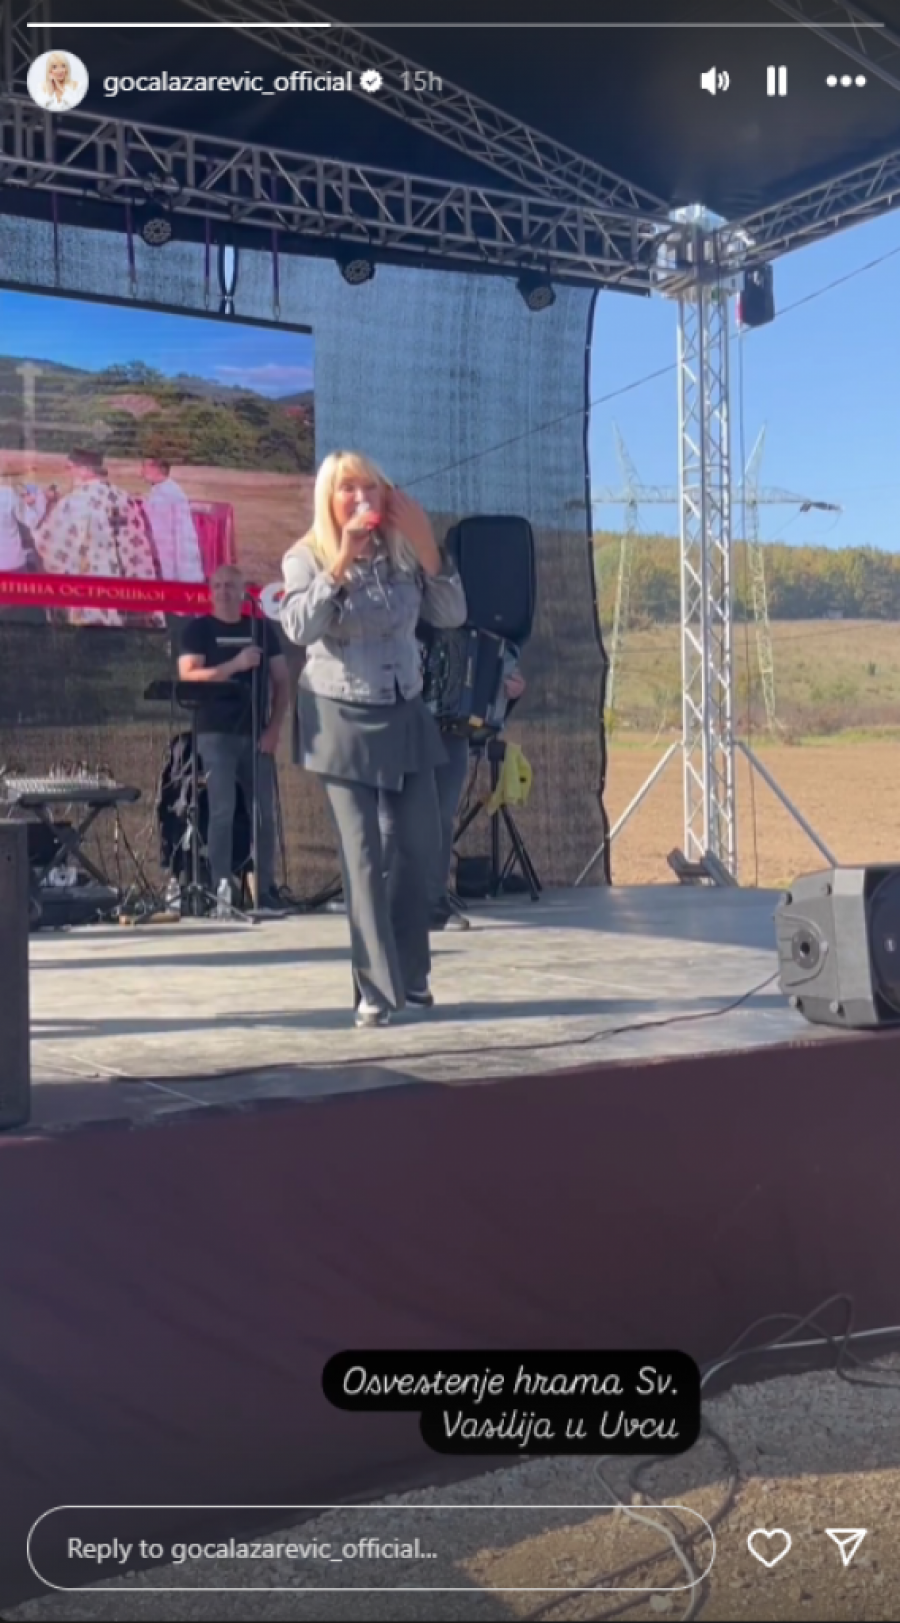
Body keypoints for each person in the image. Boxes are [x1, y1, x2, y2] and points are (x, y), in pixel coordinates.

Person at [279, 450, 467, 1028]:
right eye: (348, 490)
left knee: (419, 845)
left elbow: (452, 614)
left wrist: (429, 547)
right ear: (329, 500)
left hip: (402, 708)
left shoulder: (404, 552)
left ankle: (409, 972)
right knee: (362, 854)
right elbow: (298, 627)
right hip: (337, 714)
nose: (362, 500)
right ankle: (374, 988)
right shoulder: (306, 556)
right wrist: (339, 564)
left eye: (371, 489)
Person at [178, 564, 290, 911]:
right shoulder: (199, 629)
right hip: (215, 733)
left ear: (243, 591)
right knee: (222, 811)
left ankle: (265, 890)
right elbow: (188, 675)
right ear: (211, 591)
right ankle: (221, 890)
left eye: (231, 585)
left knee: (263, 814)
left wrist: (274, 728)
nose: (224, 591)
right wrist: (235, 665)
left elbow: (282, 680)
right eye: (218, 585)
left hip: (255, 733)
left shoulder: (260, 628)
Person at [32, 447, 162, 627]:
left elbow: (49, 543)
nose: (68, 473)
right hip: (123, 585)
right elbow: (139, 544)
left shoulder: (74, 501)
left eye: (69, 467)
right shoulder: (122, 496)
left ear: (84, 470)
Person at [141, 458, 205, 582]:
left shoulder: (170, 491)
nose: (141, 473)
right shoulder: (159, 489)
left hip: (173, 545)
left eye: (145, 469)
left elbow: (162, 519)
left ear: (156, 470)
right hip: (163, 544)